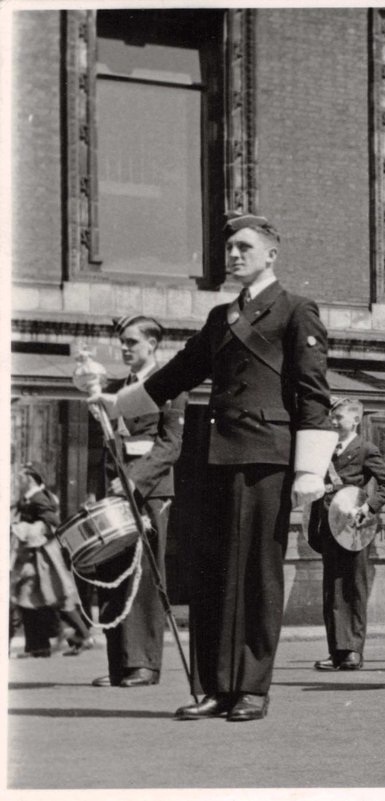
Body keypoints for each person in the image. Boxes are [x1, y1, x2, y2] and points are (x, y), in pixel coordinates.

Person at [92, 212, 336, 721]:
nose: (234, 255)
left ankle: (251, 688)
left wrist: (310, 469)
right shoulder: (220, 316)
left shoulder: (296, 310)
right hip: (217, 457)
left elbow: (313, 393)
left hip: (266, 457)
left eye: (245, 247)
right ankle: (216, 687)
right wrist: (117, 404)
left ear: (271, 254)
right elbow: (178, 373)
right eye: (229, 249)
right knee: (213, 574)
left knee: (257, 574)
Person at [90, 315, 187, 688]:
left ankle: (144, 663)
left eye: (131, 341)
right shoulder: (116, 389)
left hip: (150, 490)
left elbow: (170, 445)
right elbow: (109, 446)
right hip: (116, 490)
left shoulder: (171, 386)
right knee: (114, 570)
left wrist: (134, 480)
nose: (125, 348)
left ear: (152, 344)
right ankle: (120, 664)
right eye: (122, 342)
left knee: (144, 573)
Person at [308, 397, 385, 672]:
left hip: (355, 528)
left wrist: (368, 507)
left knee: (353, 587)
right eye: (332, 418)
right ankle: (336, 652)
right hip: (329, 527)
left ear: (356, 420)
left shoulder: (365, 449)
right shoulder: (325, 450)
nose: (333, 422)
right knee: (332, 590)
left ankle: (354, 651)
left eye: (339, 418)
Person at [10, 464, 92, 657]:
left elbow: (53, 522)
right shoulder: (31, 497)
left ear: (30, 480)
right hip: (34, 557)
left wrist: (31, 529)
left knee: (51, 596)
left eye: (21, 478)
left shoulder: (38, 498)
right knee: (34, 598)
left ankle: (80, 636)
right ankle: (42, 646)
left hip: (43, 558)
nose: (17, 481)